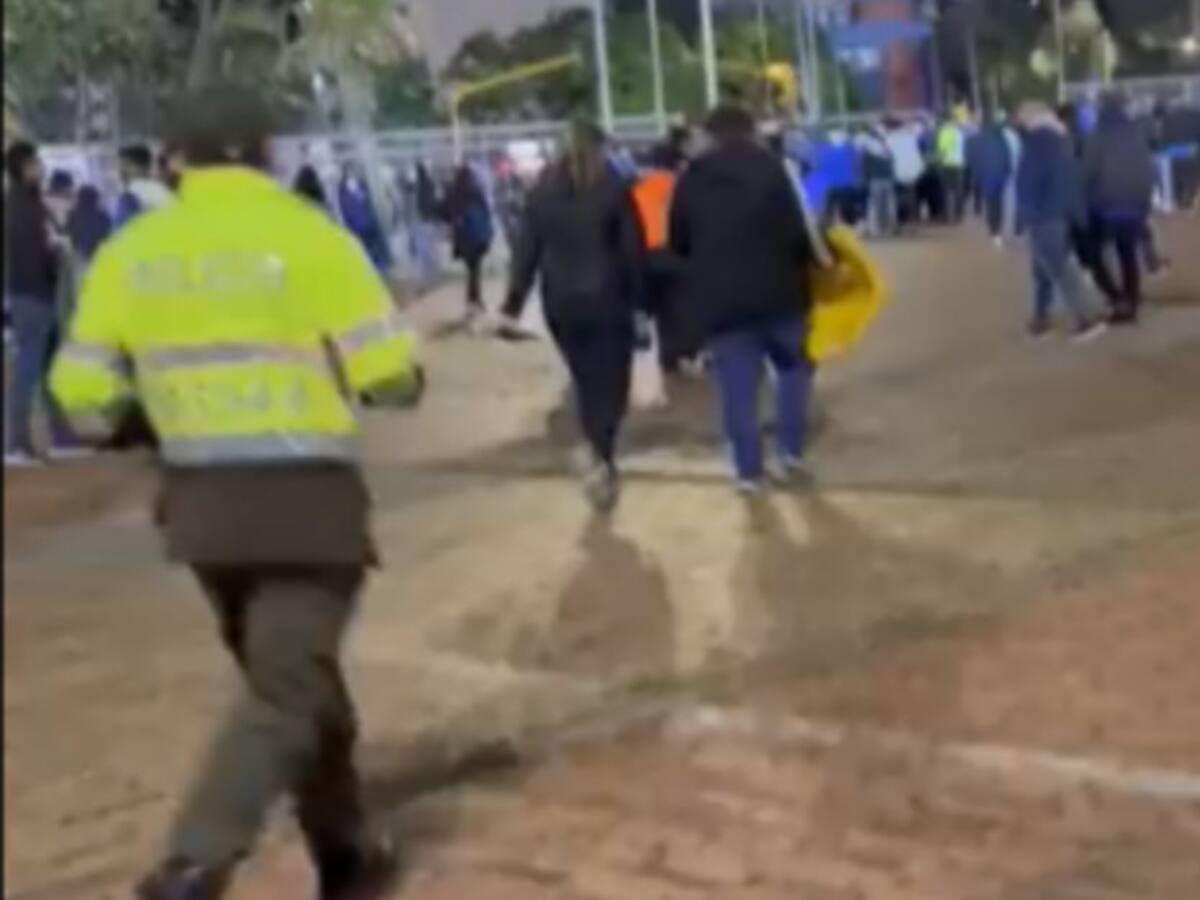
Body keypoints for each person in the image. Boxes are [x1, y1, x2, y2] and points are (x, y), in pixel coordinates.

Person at [49, 84, 424, 900]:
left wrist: (142, 421)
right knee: (287, 688)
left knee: (293, 676)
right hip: (308, 507)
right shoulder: (309, 237)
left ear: (176, 160)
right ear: (267, 153)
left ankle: (345, 844)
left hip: (202, 514)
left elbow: (80, 394)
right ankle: (194, 861)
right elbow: (389, 375)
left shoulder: (130, 252)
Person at [669, 105, 818, 493]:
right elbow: (798, 233)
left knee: (737, 387)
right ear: (750, 130)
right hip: (779, 293)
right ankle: (789, 453)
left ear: (711, 134)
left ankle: (749, 472)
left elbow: (678, 242)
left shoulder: (692, 177)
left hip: (722, 301)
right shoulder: (774, 169)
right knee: (794, 372)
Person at [501, 120, 644, 513]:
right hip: (609, 299)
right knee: (613, 383)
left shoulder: (541, 194)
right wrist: (643, 301)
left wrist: (512, 304)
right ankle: (601, 451)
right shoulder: (615, 189)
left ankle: (597, 453)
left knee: (584, 377)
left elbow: (526, 251)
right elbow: (633, 251)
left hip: (560, 303)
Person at [4, 142, 81, 465]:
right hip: (32, 294)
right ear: (24, 168)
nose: (41, 168)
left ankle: (60, 436)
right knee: (29, 369)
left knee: (49, 368)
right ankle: (17, 443)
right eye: (36, 163)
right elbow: (37, 250)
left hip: (34, 293)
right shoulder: (22, 208)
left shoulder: (26, 204)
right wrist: (57, 252)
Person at [1016, 101, 1106, 342]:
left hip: (1044, 215)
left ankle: (1088, 318)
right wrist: (1078, 216)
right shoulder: (1061, 141)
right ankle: (1040, 318)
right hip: (1059, 213)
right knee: (1043, 268)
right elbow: (1072, 183)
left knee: (1061, 269)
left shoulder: (1036, 143)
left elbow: (1027, 182)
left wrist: (1022, 216)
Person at [1083, 93, 1156, 324]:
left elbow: (1087, 174)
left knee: (1093, 255)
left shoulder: (1096, 137)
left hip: (1106, 206)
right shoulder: (1136, 133)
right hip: (1136, 204)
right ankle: (1131, 300)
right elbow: (1149, 170)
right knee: (1128, 254)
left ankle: (1116, 297)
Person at [443, 162, 494, 322]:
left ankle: (474, 300)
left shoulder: (453, 192)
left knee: (472, 270)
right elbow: (486, 211)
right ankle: (474, 300)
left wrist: (453, 220)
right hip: (477, 238)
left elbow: (444, 211)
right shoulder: (476, 190)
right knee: (475, 269)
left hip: (463, 238)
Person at [337, 163, 393, 276]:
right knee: (367, 252)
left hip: (369, 223)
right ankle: (374, 273)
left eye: (353, 170)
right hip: (357, 227)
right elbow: (345, 211)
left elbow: (369, 204)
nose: (352, 173)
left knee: (376, 249)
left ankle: (382, 271)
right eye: (350, 171)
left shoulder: (361, 185)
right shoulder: (343, 191)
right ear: (345, 173)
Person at [970, 111, 1015, 246]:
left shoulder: (977, 139)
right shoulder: (1001, 138)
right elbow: (1007, 157)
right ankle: (997, 229)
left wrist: (976, 174)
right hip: (999, 176)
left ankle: (993, 229)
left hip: (985, 175)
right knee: (998, 202)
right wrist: (1007, 173)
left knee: (990, 203)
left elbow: (973, 159)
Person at [115, 144, 174, 227]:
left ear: (144, 167)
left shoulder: (130, 196)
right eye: (120, 165)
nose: (121, 170)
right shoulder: (163, 190)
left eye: (126, 164)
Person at [858, 124, 897, 238]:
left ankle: (876, 229)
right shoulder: (888, 146)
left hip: (875, 179)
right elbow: (893, 162)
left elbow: (865, 165)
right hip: (887, 179)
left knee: (875, 205)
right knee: (888, 205)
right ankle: (889, 228)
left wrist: (863, 179)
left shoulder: (868, 147)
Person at [885, 117, 925, 227]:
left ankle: (901, 222)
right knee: (911, 196)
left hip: (898, 171)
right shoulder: (910, 136)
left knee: (899, 198)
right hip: (913, 170)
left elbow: (887, 154)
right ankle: (912, 221)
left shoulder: (890, 138)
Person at [67, 184, 114, 264]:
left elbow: (70, 235)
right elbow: (108, 236)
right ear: (96, 199)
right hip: (100, 254)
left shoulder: (73, 215)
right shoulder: (103, 216)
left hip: (79, 255)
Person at [936, 114, 968, 223]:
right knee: (958, 190)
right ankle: (959, 215)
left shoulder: (945, 132)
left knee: (945, 191)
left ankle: (946, 216)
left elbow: (943, 149)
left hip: (946, 164)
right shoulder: (959, 132)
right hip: (959, 164)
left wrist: (939, 159)